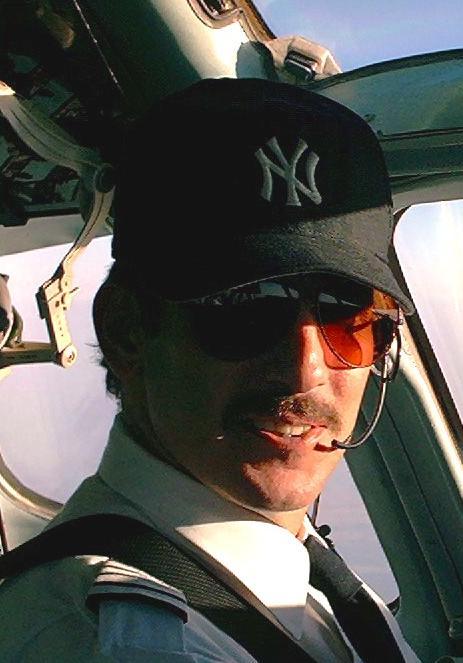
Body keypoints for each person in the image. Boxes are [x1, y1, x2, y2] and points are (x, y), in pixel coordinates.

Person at [0, 77, 418, 661]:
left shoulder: (302, 579)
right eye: (245, 307)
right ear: (127, 331)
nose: (307, 371)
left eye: (346, 313)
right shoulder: (119, 642)